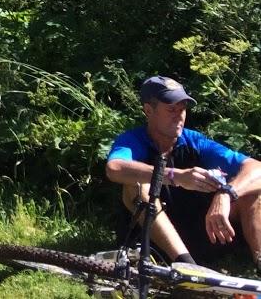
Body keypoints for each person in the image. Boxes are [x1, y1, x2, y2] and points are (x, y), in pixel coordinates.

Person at [105, 76, 261, 271]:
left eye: (182, 109)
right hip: (153, 244)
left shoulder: (194, 141)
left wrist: (227, 194)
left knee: (252, 190)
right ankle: (188, 266)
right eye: (171, 110)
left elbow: (256, 167)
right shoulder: (133, 140)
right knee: (136, 184)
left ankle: (259, 263)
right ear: (149, 110)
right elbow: (115, 168)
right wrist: (176, 176)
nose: (179, 116)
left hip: (203, 231)